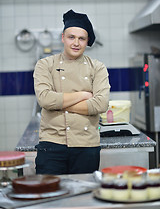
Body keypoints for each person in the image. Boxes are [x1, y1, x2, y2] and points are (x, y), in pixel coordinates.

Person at [33, 9, 110, 175]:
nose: (76, 43)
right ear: (62, 38)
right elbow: (45, 100)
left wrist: (59, 104)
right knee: (50, 196)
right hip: (51, 145)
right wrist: (83, 95)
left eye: (81, 38)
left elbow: (101, 104)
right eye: (71, 37)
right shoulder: (45, 64)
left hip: (87, 146)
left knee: (84, 198)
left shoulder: (97, 67)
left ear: (87, 41)